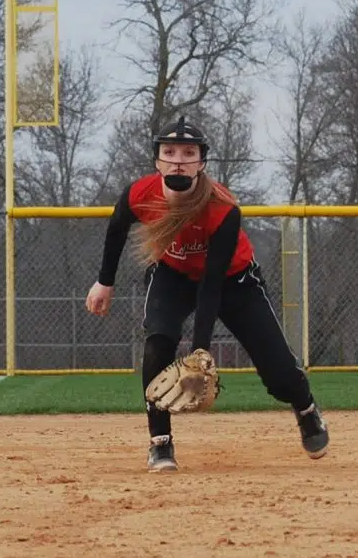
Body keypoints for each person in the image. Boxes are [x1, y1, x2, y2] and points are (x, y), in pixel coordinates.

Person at [84, 118, 329, 472]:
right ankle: (160, 443)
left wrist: (200, 351)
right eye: (169, 152)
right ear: (157, 160)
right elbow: (117, 228)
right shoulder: (140, 193)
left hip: (233, 281)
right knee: (157, 343)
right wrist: (104, 281)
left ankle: (305, 408)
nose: (178, 160)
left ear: (201, 162)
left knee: (278, 374)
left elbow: (212, 284)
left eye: (188, 152)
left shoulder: (222, 208)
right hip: (172, 274)